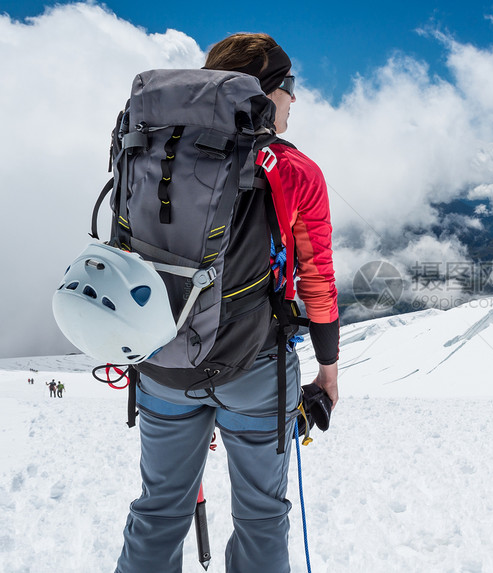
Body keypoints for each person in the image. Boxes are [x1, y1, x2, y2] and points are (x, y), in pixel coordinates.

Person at [114, 33, 339, 573]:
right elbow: (317, 282)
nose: (293, 99)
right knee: (262, 515)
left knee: (159, 509)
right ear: (264, 90)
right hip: (256, 365)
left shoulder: (146, 144)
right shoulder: (293, 169)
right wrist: (328, 373)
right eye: (288, 86)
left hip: (163, 360)